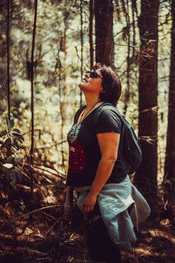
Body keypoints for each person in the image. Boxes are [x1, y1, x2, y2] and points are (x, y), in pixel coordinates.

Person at [64, 63, 150, 263]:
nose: (86, 74)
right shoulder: (82, 112)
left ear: (104, 88)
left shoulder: (106, 114)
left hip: (107, 192)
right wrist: (70, 184)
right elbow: (77, 150)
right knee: (96, 250)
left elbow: (109, 157)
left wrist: (93, 194)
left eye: (93, 74)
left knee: (105, 253)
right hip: (89, 190)